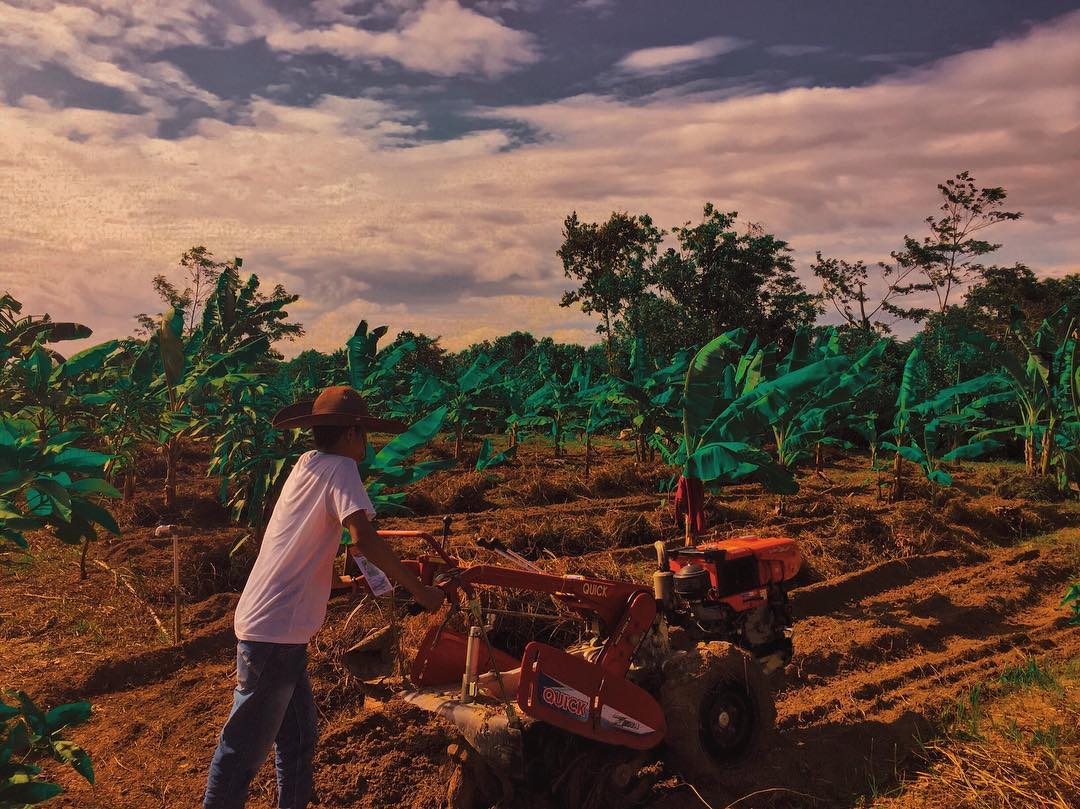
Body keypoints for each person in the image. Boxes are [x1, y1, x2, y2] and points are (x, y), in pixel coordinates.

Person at [203, 386, 445, 809]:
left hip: (279, 633)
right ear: (352, 434)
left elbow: (304, 538)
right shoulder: (342, 469)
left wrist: (343, 585)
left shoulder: (307, 464)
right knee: (241, 752)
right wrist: (422, 591)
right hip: (274, 636)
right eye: (364, 434)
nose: (366, 444)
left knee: (298, 741)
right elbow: (364, 540)